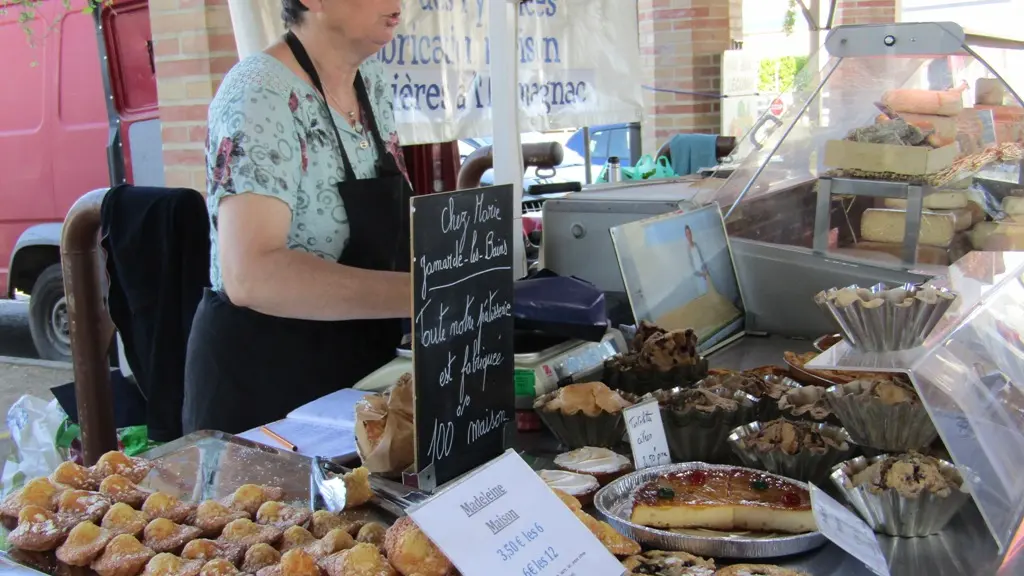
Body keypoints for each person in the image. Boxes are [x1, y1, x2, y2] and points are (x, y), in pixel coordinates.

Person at [183, 0, 411, 434]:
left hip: (354, 377)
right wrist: (421, 295)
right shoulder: (258, 92)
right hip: (266, 390)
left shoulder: (371, 83)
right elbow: (252, 275)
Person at [685, 225, 710, 297]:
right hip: (698, 277)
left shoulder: (696, 245)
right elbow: (691, 267)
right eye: (687, 234)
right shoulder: (688, 250)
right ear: (686, 236)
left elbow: (702, 258)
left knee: (708, 293)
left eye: (689, 233)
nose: (689, 235)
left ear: (691, 234)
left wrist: (706, 271)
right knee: (702, 295)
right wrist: (701, 274)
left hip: (704, 274)